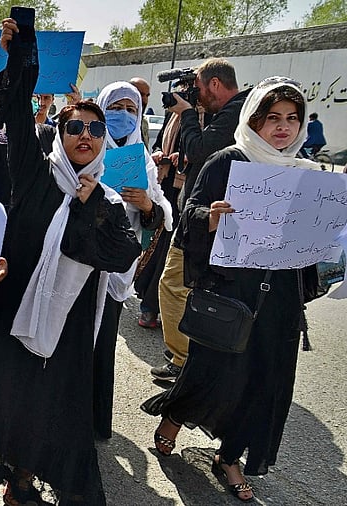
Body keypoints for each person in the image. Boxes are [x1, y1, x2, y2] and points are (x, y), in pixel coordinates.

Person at [0, 20, 140, 506]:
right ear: (59, 134)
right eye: (75, 127)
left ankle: (26, 480)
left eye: (95, 128)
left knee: (52, 407)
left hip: (70, 324)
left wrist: (89, 208)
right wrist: (20, 54)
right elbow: (17, 114)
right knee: (15, 397)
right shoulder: (36, 174)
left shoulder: (104, 196)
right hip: (17, 308)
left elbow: (123, 254)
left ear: (105, 139)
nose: (86, 135)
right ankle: (14, 479)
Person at [142, 77, 320, 503]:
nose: (283, 128)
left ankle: (229, 456)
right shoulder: (228, 160)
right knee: (213, 371)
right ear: (253, 119)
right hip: (231, 290)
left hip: (279, 298)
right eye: (272, 118)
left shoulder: (306, 173)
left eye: (292, 119)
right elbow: (188, 219)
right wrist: (211, 218)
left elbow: (316, 238)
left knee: (264, 381)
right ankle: (177, 413)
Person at [152, 58, 249, 382]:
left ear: (216, 84)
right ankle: (193, 357)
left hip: (206, 219)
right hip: (207, 216)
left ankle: (184, 361)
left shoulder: (235, 112)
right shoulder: (234, 113)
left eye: (199, 88)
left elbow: (200, 149)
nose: (197, 94)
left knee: (173, 285)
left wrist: (188, 114)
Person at [92, 82, 172, 440]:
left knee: (102, 342)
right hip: (80, 261)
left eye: (130, 109)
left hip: (117, 266)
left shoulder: (141, 159)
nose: (122, 115)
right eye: (115, 107)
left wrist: (146, 204)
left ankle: (93, 420)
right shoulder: (82, 144)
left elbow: (159, 217)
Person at [128, 77, 151, 147]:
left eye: (147, 95)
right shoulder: (120, 121)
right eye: (141, 94)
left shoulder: (143, 122)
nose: (145, 100)